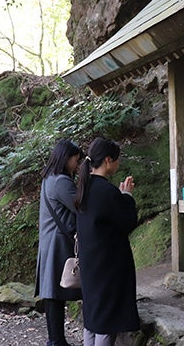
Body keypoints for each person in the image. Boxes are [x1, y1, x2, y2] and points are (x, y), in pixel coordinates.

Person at [74, 138, 140, 346]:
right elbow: (127, 221)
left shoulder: (85, 187)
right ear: (108, 160)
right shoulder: (107, 191)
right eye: (117, 159)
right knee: (106, 323)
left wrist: (120, 196)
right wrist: (127, 196)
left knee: (92, 319)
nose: (119, 164)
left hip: (90, 261)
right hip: (108, 265)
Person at [35, 139, 83, 346]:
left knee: (53, 294)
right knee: (55, 294)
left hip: (50, 241)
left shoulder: (49, 179)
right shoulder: (62, 182)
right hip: (58, 243)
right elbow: (81, 206)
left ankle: (56, 340)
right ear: (66, 158)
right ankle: (56, 341)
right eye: (75, 159)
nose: (77, 164)